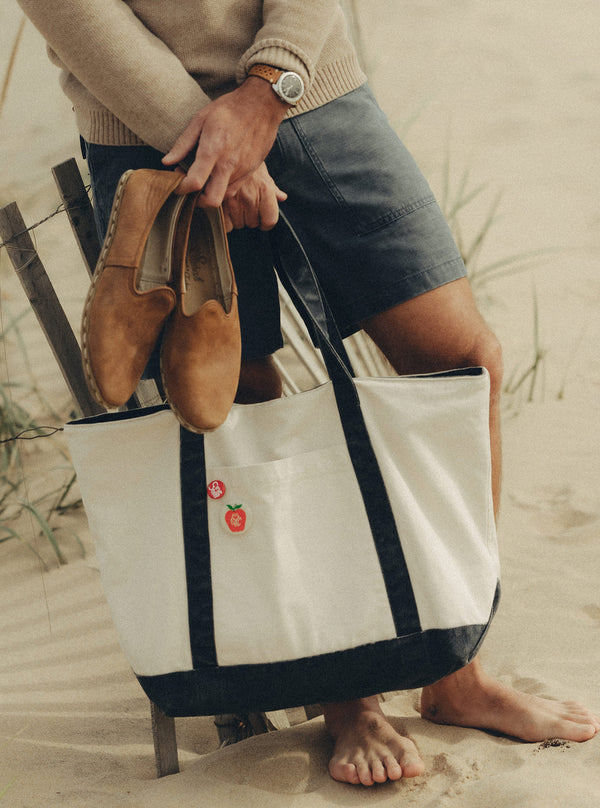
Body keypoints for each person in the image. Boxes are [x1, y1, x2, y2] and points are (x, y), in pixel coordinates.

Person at [17, 0, 599, 787]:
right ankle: (347, 696)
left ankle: (454, 673)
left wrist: (264, 95)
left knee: (465, 363)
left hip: (310, 90)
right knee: (248, 411)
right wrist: (223, 145)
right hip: (153, 128)